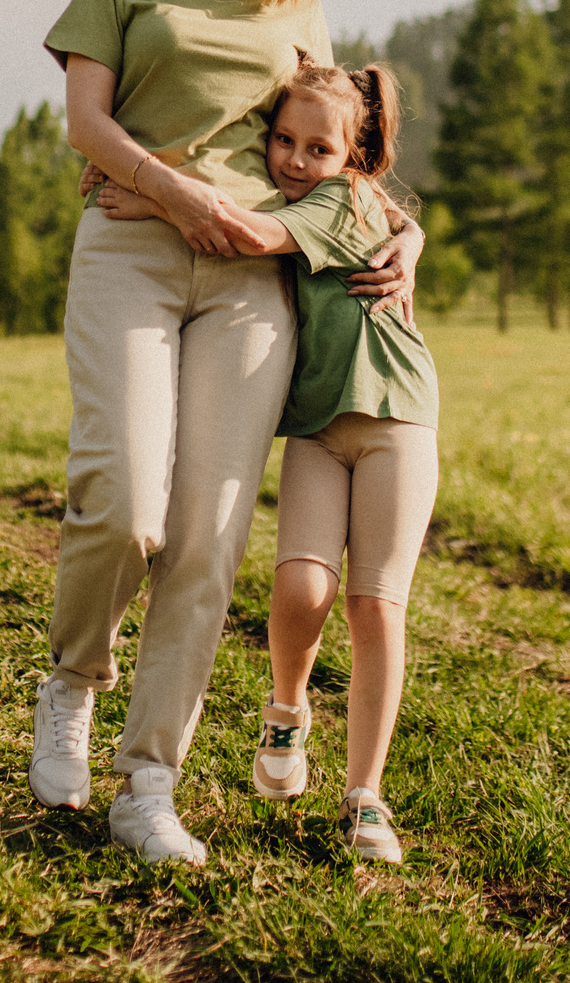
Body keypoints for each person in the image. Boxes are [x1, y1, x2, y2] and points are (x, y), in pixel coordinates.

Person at [33, 0, 421, 866]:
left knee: (207, 537)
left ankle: (147, 782)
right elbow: (86, 123)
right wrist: (175, 196)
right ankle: (72, 679)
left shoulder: (298, 7)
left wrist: (409, 239)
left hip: (252, 282)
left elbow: (337, 151)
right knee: (122, 499)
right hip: (133, 251)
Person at [102, 60, 438, 863]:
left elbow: (249, 233)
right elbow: (298, 216)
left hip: (397, 416)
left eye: (316, 147)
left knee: (374, 605)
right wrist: (414, 234)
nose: (293, 158)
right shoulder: (308, 197)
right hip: (319, 427)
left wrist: (148, 193)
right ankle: (288, 705)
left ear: (352, 156)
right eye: (282, 139)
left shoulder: (340, 199)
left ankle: (365, 797)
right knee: (301, 587)